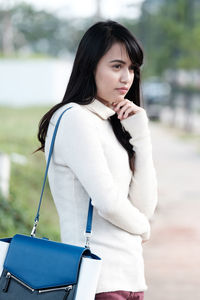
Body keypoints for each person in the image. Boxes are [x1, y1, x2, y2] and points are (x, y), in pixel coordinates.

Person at [35, 20, 158, 300]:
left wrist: (141, 136)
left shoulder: (111, 122)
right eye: (117, 66)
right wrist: (143, 228)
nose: (127, 77)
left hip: (130, 278)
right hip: (97, 281)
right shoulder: (75, 118)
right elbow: (108, 202)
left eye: (132, 69)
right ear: (90, 66)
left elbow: (144, 206)